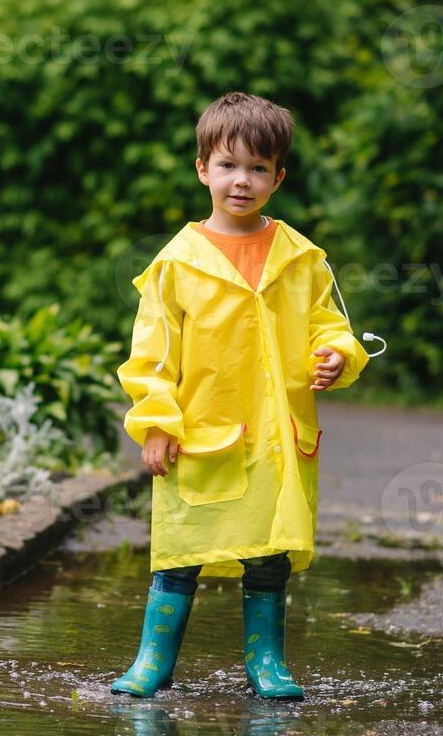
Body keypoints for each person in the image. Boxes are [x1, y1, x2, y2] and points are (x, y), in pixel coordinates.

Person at [110, 91, 375, 701]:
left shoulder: (301, 258)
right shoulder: (175, 265)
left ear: (277, 177)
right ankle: (153, 660)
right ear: (202, 168)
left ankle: (267, 662)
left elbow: (328, 323)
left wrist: (340, 354)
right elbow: (151, 355)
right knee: (180, 552)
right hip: (200, 435)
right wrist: (156, 423)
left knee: (268, 554)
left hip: (279, 436)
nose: (242, 180)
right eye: (228, 165)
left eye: (259, 168)